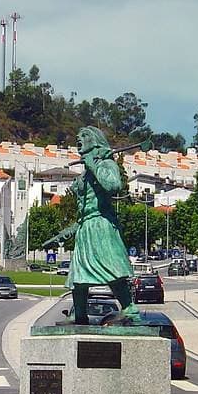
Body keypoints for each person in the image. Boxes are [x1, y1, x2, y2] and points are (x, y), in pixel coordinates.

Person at [42, 126, 140, 324]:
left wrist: (94, 166)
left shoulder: (106, 164)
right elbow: (83, 211)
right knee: (78, 277)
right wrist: (68, 231)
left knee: (113, 270)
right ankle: (79, 316)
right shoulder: (85, 175)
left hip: (101, 225)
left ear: (95, 142)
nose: (79, 138)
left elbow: (113, 186)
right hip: (86, 228)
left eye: (84, 136)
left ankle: (130, 310)